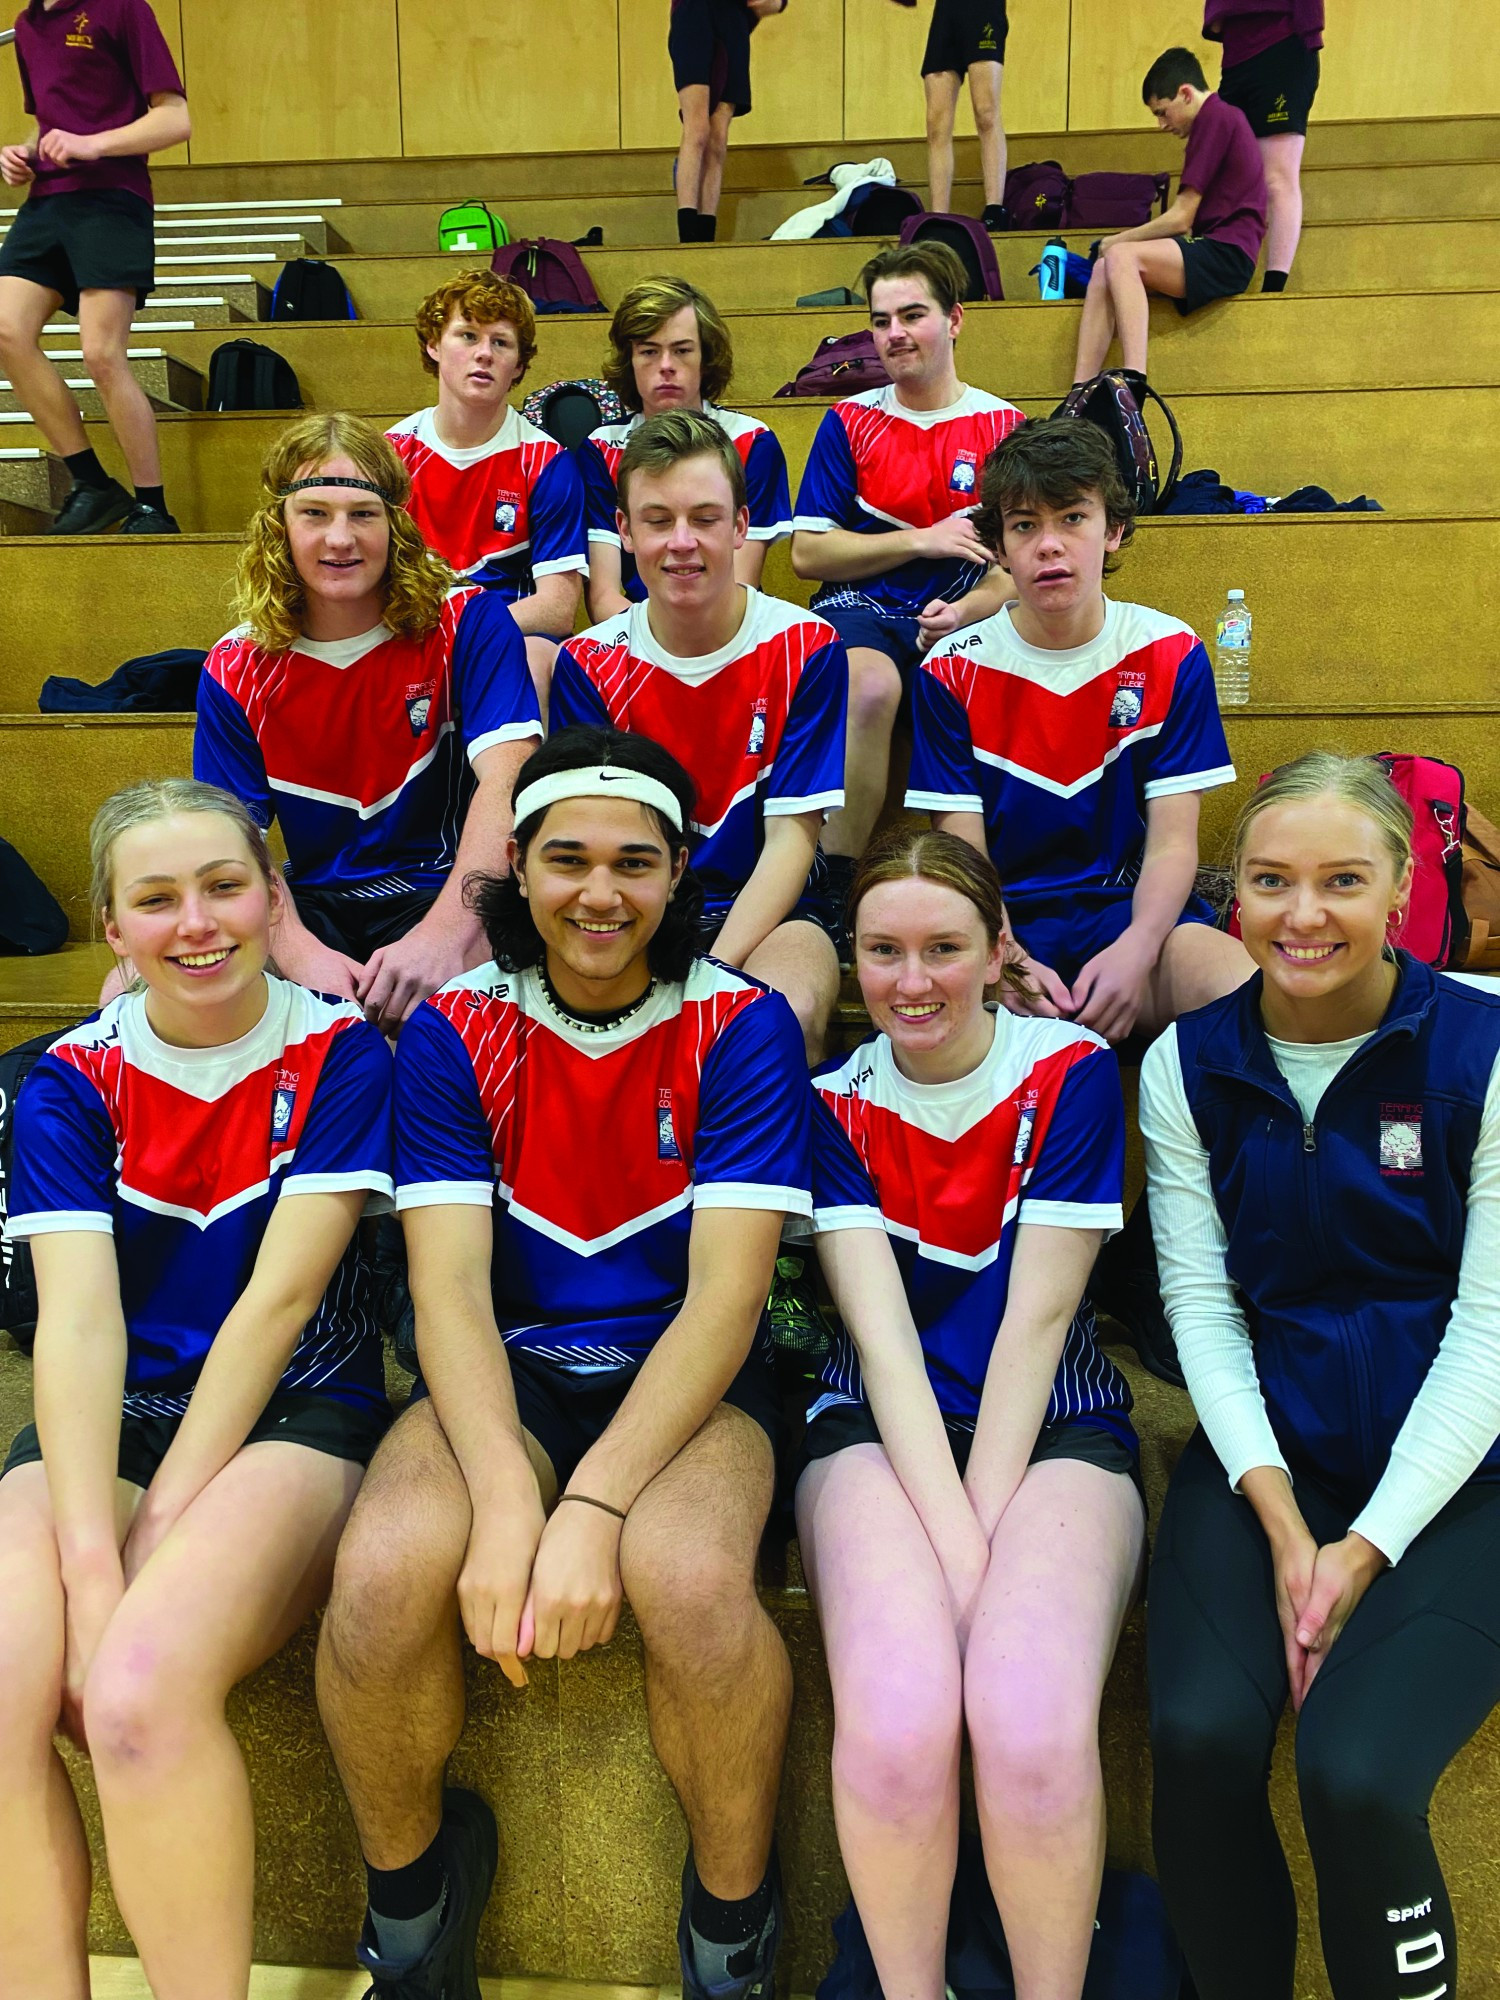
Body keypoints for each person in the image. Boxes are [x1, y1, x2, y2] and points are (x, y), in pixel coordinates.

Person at [314, 725, 813, 2000]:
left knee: (691, 1578)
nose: (602, 892)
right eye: (568, 859)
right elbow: (448, 1289)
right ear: (517, 872)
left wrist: (587, 1504)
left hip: (688, 1370)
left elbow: (728, 1297)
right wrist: (504, 1497)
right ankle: (416, 1920)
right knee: (378, 1575)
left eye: (636, 862)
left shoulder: (742, 1024)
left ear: (681, 872)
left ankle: (730, 1934)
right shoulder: (454, 1030)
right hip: (513, 1360)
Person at [0, 776, 393, 2000]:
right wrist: (89, 1557)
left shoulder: (346, 1055)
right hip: (108, 1415)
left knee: (136, 1691)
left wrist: (154, 1533)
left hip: (290, 1414)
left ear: (275, 899)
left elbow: (278, 1305)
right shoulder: (65, 1079)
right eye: (155, 899)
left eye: (225, 885)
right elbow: (74, 1319)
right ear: (112, 930)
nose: (197, 920)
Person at [1140, 751, 1500, 2000]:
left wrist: (1368, 1545)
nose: (1304, 914)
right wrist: (1285, 1515)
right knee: (1194, 1735)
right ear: (1231, 894)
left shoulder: (1485, 1047)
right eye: (1273, 881)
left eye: (1344, 879)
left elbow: (1491, 1331)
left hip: (1467, 1477)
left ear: (1403, 883)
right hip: (1270, 1461)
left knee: (1354, 1770)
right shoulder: (1185, 1063)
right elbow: (1199, 1303)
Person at [795, 826, 1144, 2000]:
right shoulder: (830, 1103)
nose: (911, 980)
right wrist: (956, 1551)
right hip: (877, 1432)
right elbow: (886, 1345)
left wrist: (980, 1545)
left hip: (1053, 1426)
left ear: (999, 948)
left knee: (1032, 1723)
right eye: (881, 950)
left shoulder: (1068, 1074)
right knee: (897, 1727)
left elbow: (1038, 1325)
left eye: (943, 946)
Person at [193, 412, 542, 1034]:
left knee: (463, 1011)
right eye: (315, 514)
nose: (340, 538)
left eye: (362, 514)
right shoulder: (236, 664)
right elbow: (228, 835)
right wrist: (298, 953)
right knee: (134, 983)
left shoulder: (467, 622)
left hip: (443, 891)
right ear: (279, 527)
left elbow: (510, 777)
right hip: (312, 906)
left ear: (396, 524)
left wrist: (445, 936)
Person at [907, 416, 1250, 1045]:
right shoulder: (951, 671)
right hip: (1001, 925)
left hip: (1136, 918)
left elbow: (1174, 843)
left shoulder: (1169, 651)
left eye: (1072, 518)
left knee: (1237, 988)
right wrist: (1004, 956)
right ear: (1001, 547)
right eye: (1024, 525)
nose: (1049, 544)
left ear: (1113, 530)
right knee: (927, 986)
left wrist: (1139, 949)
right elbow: (963, 853)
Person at [552, 411, 845, 1062]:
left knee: (778, 1017)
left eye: (705, 518)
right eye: (658, 520)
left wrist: (712, 972)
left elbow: (793, 839)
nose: (681, 542)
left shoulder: (807, 647)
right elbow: (596, 838)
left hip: (771, 907)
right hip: (637, 906)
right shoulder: (588, 663)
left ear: (742, 525)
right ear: (624, 532)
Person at [790, 240, 1024, 911]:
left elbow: (1019, 572)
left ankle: (994, 889)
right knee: (869, 686)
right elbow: (809, 552)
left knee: (989, 680)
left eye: (912, 315)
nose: (894, 333)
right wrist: (921, 538)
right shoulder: (850, 420)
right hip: (860, 606)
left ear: (954, 319)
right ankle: (834, 887)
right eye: (881, 319)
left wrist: (971, 610)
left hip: (964, 612)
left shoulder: (1004, 426)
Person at [0, 0, 190, 534]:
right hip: (46, 203)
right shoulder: (28, 24)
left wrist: (92, 144)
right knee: (6, 328)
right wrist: (24, 152)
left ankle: (152, 505)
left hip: (112, 198)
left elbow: (175, 118)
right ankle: (91, 482)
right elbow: (49, 124)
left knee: (101, 353)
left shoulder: (122, 7)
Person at [387, 269, 589, 720]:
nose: (483, 354)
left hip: (508, 633)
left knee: (540, 660)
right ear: (433, 345)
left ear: (518, 365)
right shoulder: (390, 456)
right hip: (408, 629)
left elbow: (557, 609)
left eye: (501, 342)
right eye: (468, 335)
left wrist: (464, 636)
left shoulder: (546, 462)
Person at [577, 276, 792, 620]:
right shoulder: (600, 450)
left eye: (681, 350)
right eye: (649, 351)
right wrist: (652, 647)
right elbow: (603, 596)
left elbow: (738, 583)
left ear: (705, 357)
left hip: (731, 627)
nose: (665, 365)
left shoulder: (753, 442)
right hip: (636, 628)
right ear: (629, 361)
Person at [1071, 47, 1267, 393]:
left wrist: (1117, 240)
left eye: (1163, 113)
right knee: (1105, 270)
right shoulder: (1217, 120)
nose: (1162, 125)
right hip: (1210, 247)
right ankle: (1079, 391)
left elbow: (1180, 219)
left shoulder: (1216, 118)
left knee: (1118, 256)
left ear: (1186, 93)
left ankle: (1134, 382)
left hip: (1228, 252)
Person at [1204, 1, 1323, 291]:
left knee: (1277, 177)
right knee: (1228, 177)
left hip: (1281, 44)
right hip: (1235, 55)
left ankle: (1273, 288)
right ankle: (1226, 274)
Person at [669, 0, 787, 243]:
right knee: (698, 128)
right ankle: (688, 234)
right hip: (695, 15)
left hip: (733, 21)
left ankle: (706, 234)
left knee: (718, 138)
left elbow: (773, 4)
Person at [913, 0, 1008, 227]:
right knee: (936, 123)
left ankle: (995, 209)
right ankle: (939, 217)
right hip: (947, 10)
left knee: (985, 111)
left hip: (983, 9)